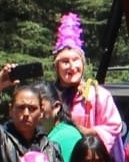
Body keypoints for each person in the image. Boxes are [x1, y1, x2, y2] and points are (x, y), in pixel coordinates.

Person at [51, 13, 124, 154]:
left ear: (83, 63)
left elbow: (114, 127)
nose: (72, 67)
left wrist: (87, 132)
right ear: (56, 66)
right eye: (65, 62)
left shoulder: (99, 95)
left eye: (76, 60)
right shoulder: (49, 96)